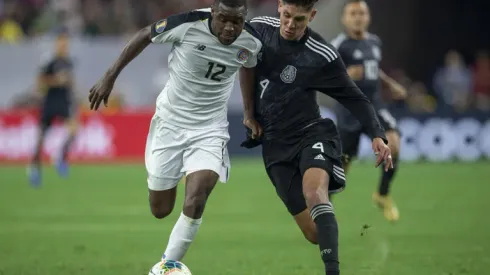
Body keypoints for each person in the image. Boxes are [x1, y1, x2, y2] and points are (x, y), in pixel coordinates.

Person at [87, 0, 262, 273]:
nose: (230, 28)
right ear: (212, 13)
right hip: (170, 123)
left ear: (244, 18)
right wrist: (110, 77)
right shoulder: (188, 24)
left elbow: (248, 64)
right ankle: (174, 176)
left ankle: (167, 266)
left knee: (198, 195)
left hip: (210, 129)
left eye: (236, 22)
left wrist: (249, 112)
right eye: (224, 20)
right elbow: (146, 34)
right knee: (161, 209)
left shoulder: (251, 40)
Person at [239, 0, 393, 274]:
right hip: (275, 145)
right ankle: (329, 230)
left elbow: (354, 97)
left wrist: (377, 134)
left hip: (311, 132)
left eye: (298, 19)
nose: (289, 25)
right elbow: (244, 63)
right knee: (313, 233)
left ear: (312, 16)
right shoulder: (259, 30)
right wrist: (249, 114)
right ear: (279, 7)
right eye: (286, 16)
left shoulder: (321, 55)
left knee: (314, 192)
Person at [330, 0, 407, 222]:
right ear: (344, 19)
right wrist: (345, 75)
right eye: (353, 13)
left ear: (368, 17)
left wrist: (390, 84)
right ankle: (324, 209)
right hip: (349, 112)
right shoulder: (338, 45)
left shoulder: (374, 42)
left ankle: (382, 194)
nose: (357, 17)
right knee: (342, 167)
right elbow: (324, 76)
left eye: (361, 13)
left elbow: (374, 70)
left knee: (393, 143)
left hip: (374, 107)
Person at [28, 32, 78, 187]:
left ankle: (60, 155)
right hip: (50, 102)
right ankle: (34, 168)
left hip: (64, 102)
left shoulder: (68, 62)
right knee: (41, 138)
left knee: (73, 130)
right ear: (57, 44)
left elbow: (70, 83)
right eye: (62, 43)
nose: (64, 46)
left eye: (66, 44)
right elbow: (40, 81)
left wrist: (74, 100)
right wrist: (56, 80)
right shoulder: (50, 62)